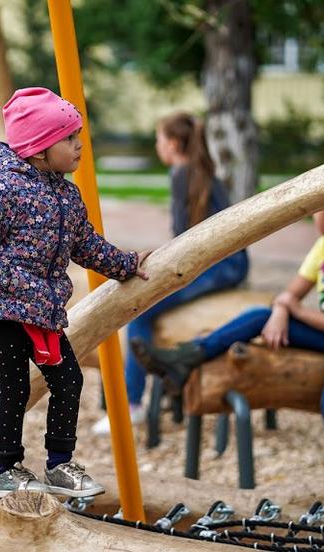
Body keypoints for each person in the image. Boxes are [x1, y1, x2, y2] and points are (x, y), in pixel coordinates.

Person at [0, 87, 150, 497]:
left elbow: (86, 245)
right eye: (69, 138)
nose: (79, 145)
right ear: (40, 149)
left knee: (69, 380)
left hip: (42, 310)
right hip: (3, 307)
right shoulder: (3, 188)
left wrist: (126, 265)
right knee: (16, 388)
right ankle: (9, 469)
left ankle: (60, 466)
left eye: (77, 135)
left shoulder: (66, 194)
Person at [134, 194, 324, 474]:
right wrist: (280, 311)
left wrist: (294, 310)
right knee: (259, 316)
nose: (313, 218)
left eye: (318, 212)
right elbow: (291, 293)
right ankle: (187, 356)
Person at [92, 112, 249, 435]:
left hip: (221, 267)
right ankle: (135, 394)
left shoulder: (183, 174)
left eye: (159, 139)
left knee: (139, 308)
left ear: (173, 143)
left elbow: (182, 239)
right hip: (225, 264)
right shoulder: (196, 171)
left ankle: (132, 404)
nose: (156, 145)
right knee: (143, 297)